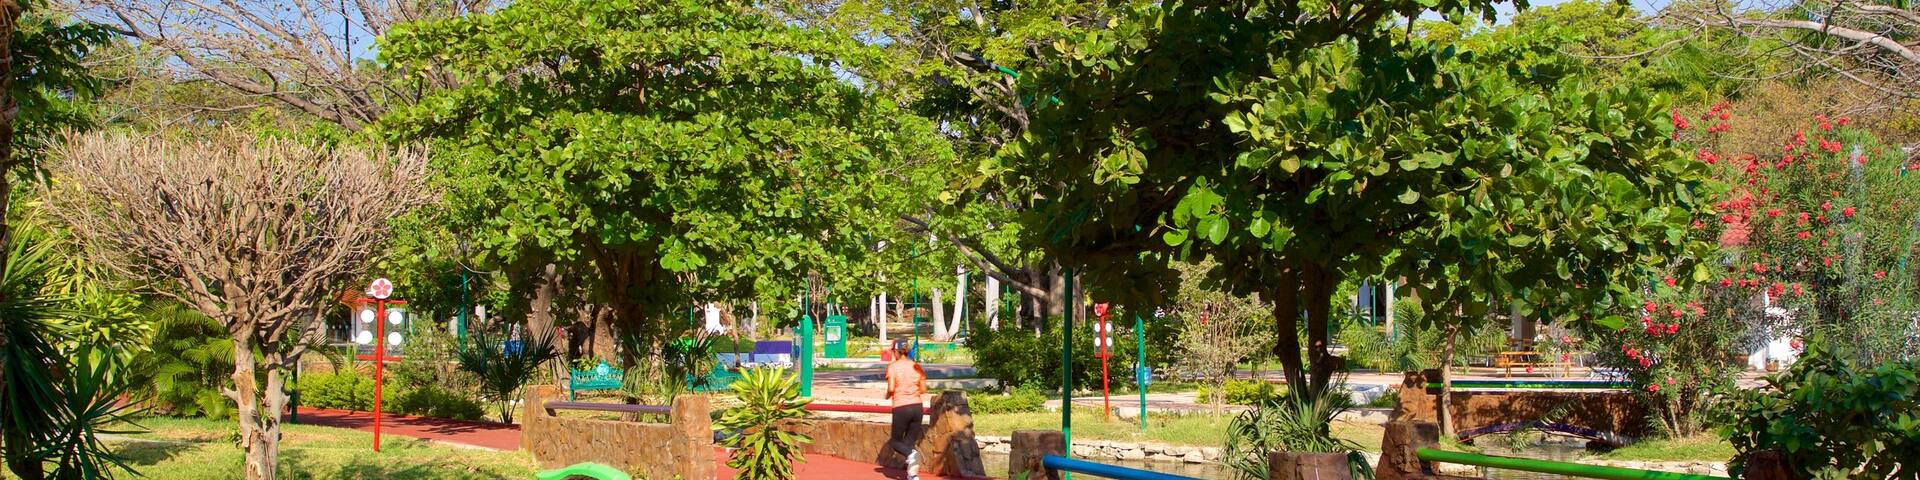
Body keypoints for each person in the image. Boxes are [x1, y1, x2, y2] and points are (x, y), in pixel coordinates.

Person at [885, 339, 927, 480]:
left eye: (893, 351)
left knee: (896, 441)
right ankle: (912, 476)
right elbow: (923, 388)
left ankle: (911, 455)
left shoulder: (893, 367)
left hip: (901, 406)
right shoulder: (916, 366)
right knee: (908, 443)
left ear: (896, 351)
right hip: (917, 407)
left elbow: (891, 389)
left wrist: (887, 395)